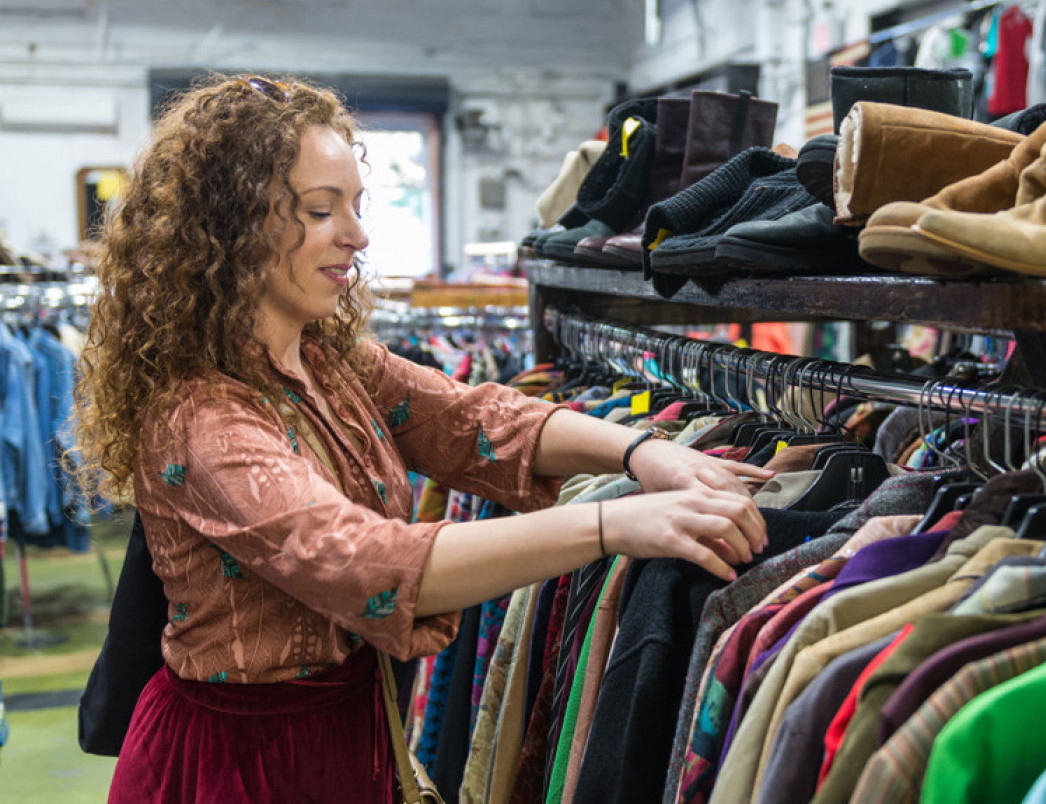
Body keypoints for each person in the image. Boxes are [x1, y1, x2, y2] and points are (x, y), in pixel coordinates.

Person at [71, 74, 771, 803]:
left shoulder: (326, 360)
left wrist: (644, 451)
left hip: (350, 730)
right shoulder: (202, 418)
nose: (356, 235)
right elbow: (364, 562)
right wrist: (611, 522)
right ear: (231, 228)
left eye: (356, 206)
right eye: (320, 210)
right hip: (237, 765)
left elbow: (473, 419)